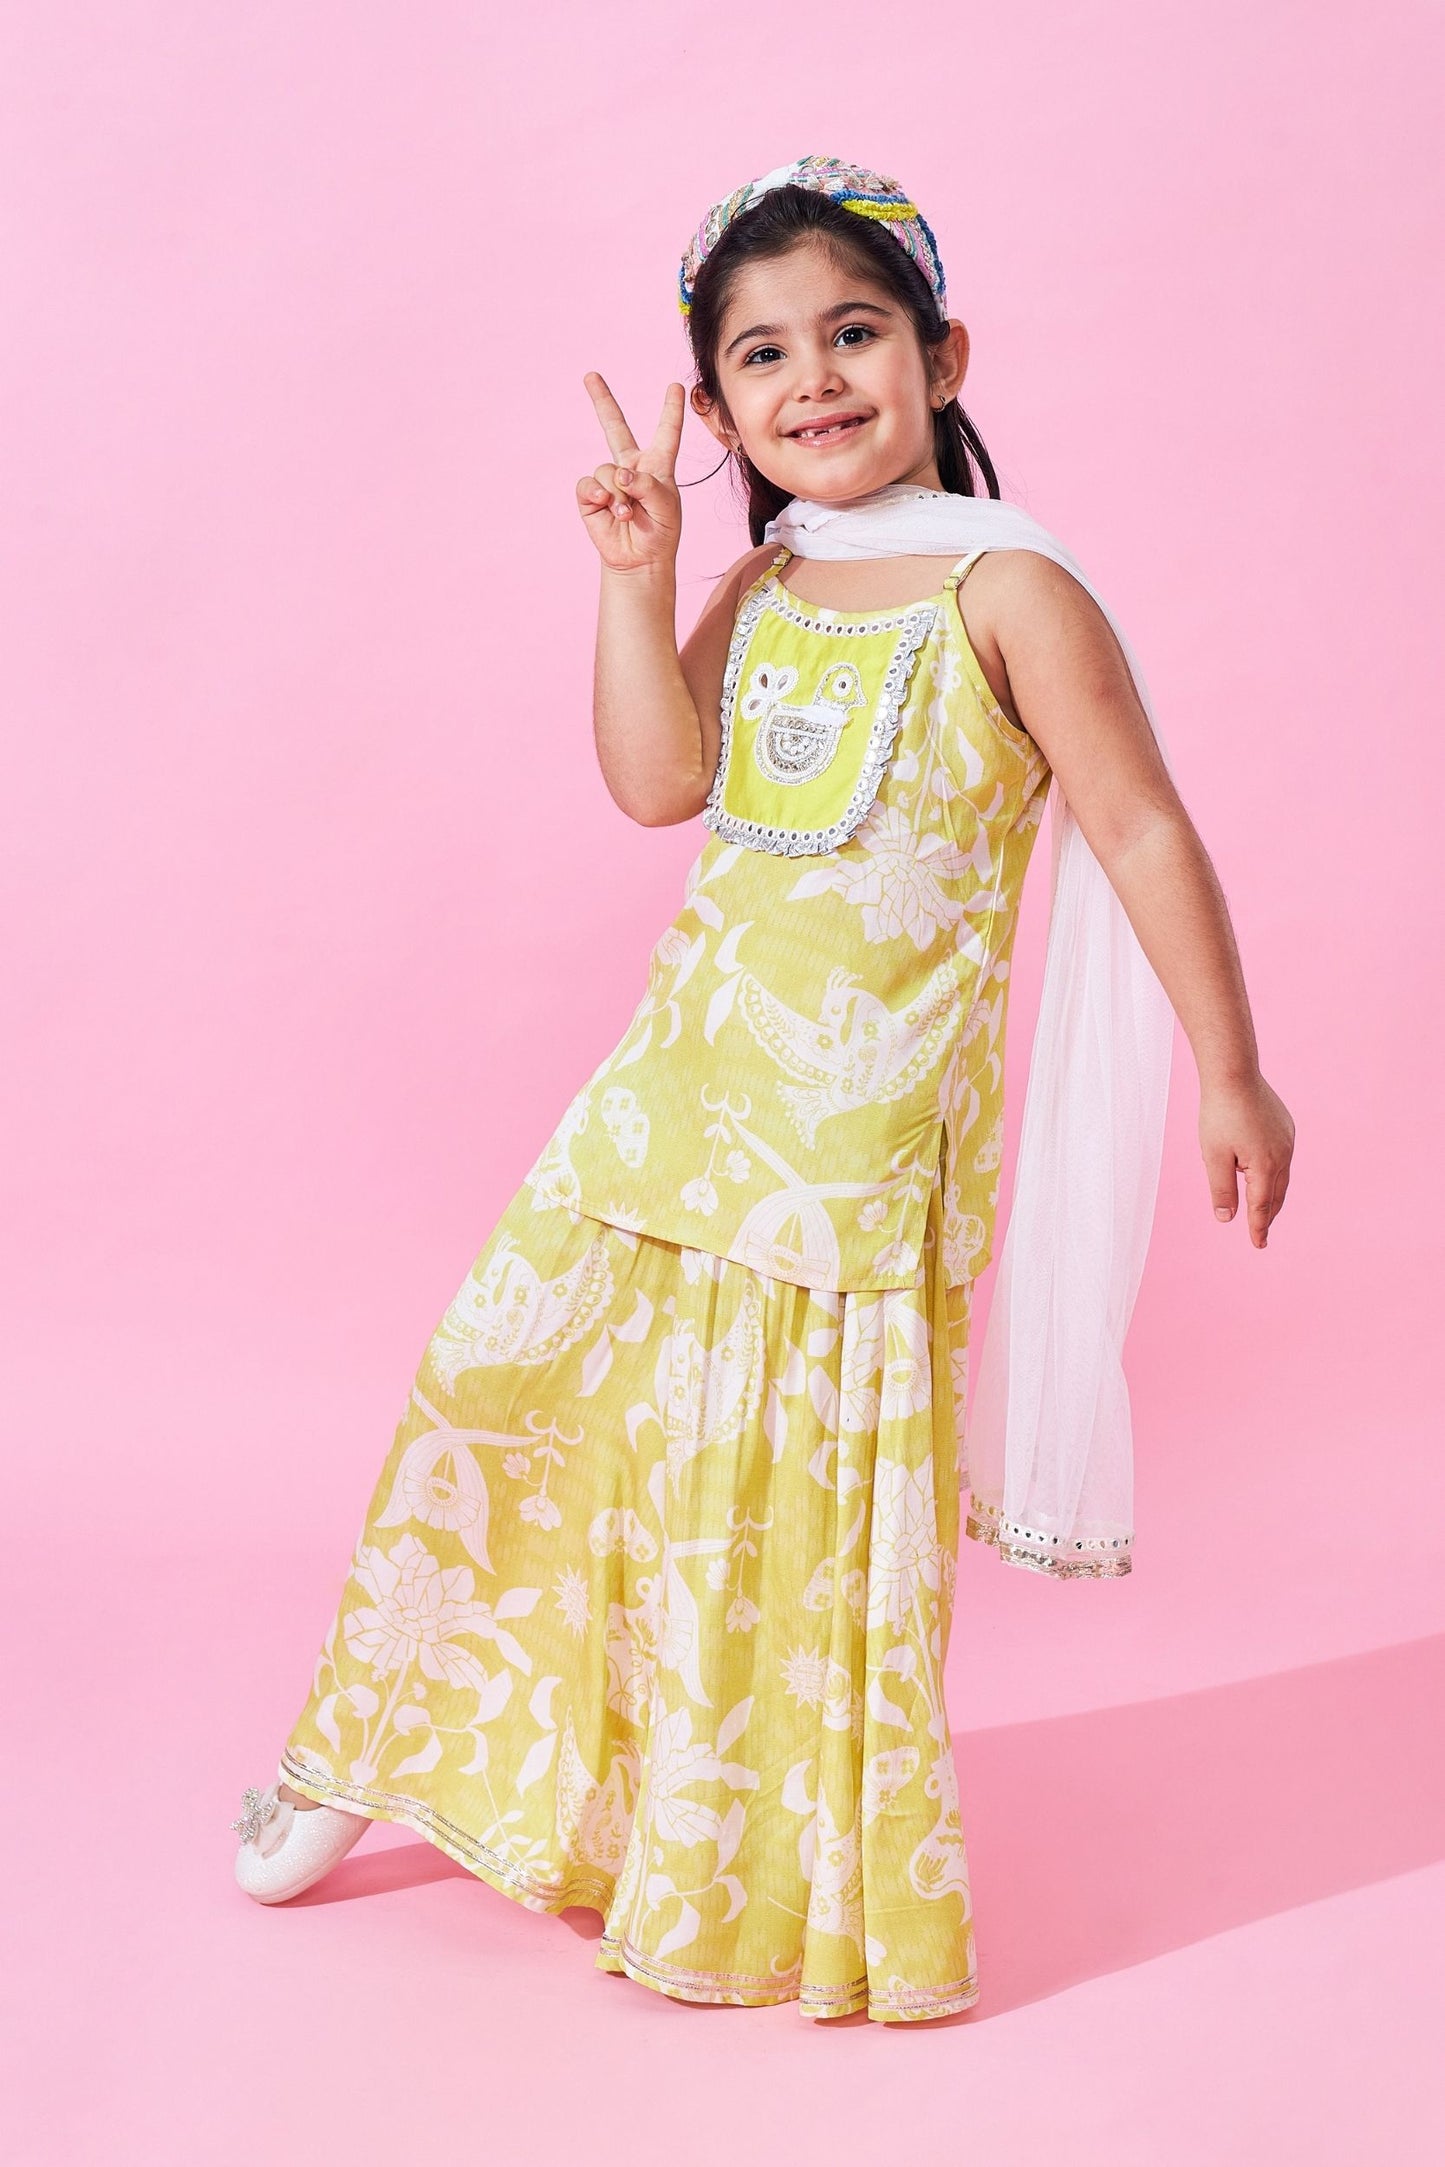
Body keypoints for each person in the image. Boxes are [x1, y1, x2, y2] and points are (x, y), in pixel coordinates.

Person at [232, 154, 1294, 2023]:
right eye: (763, 354)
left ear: (940, 356)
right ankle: (376, 1743)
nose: (815, 379)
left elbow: (1137, 825)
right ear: (715, 408)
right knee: (498, 1400)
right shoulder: (768, 577)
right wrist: (636, 580)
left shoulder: (1010, 589)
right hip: (660, 1116)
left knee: (765, 1526)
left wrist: (1234, 1069)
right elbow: (660, 783)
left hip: (850, 1171)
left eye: (853, 333)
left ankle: (728, 1855)